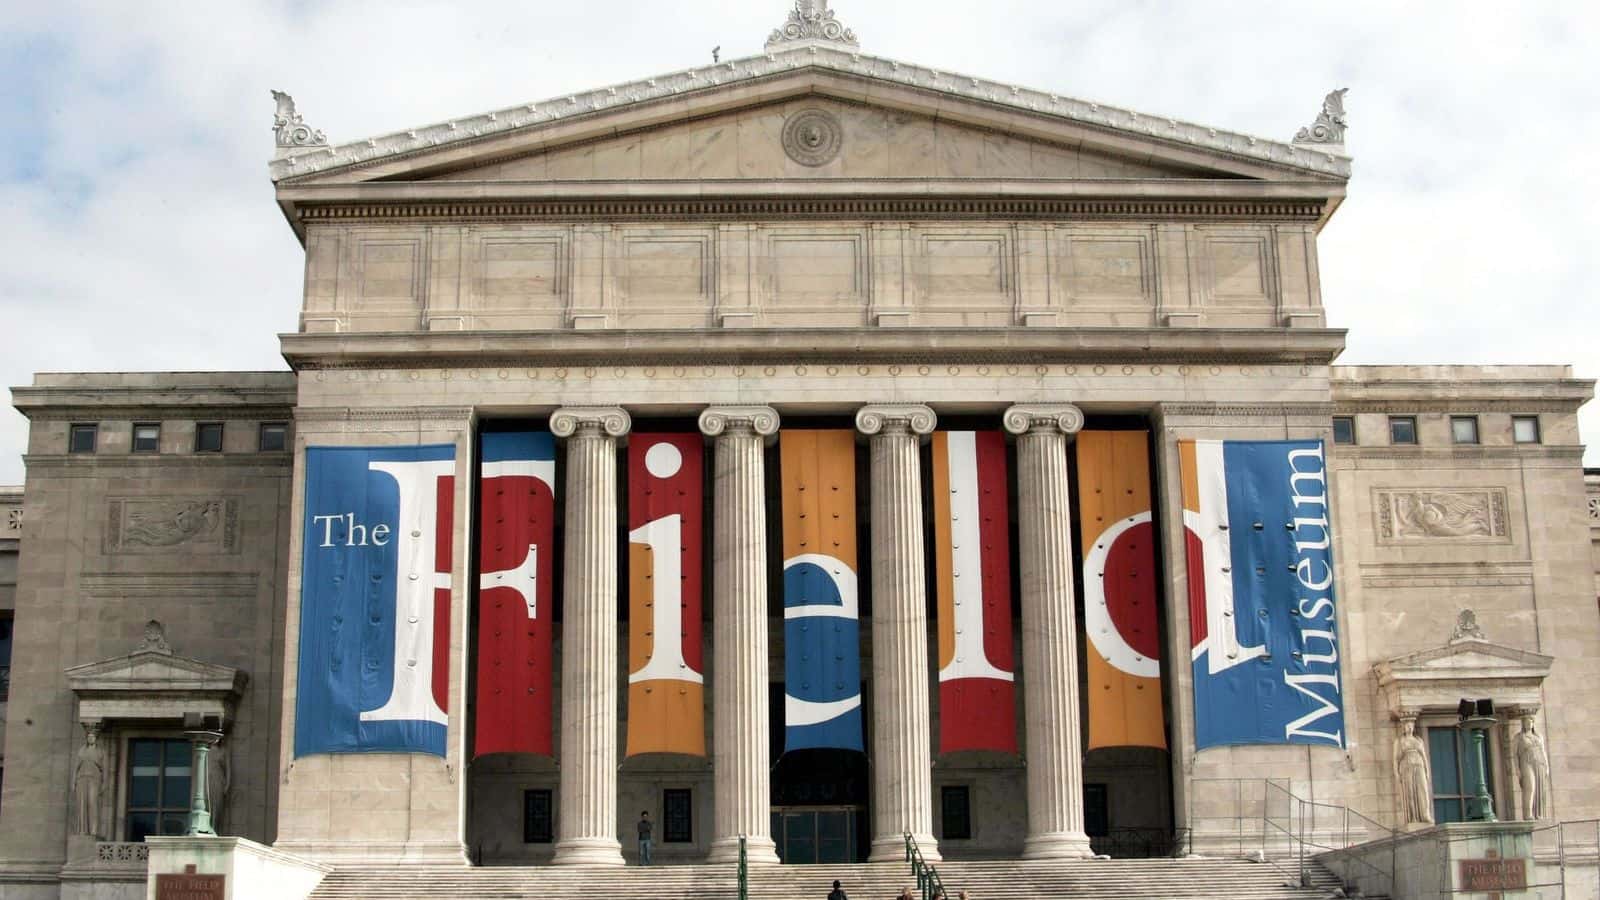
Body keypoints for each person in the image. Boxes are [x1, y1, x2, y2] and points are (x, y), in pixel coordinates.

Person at [1393, 718, 1433, 826]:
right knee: (1410, 792)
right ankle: (1413, 817)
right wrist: (1396, 773)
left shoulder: (1419, 740)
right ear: (1404, 727)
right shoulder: (1400, 741)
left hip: (1419, 764)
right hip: (1406, 766)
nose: (1410, 727)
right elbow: (1395, 759)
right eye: (1407, 726)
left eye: (1411, 725)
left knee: (1422, 790)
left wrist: (1427, 771)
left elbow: (1424, 756)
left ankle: (1425, 815)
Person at [1514, 716, 1550, 820]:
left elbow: (1543, 751)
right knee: (1530, 788)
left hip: (1539, 763)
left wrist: (1547, 766)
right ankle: (1528, 814)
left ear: (1533, 724)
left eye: (1530, 722)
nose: (1528, 724)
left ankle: (1538, 814)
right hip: (1526, 762)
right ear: (1523, 724)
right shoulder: (1519, 737)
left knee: (1540, 789)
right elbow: (1515, 755)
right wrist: (1517, 770)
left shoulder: (1538, 736)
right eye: (1526, 722)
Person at [73, 727, 105, 838]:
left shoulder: (100, 752)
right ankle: (83, 830)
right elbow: (76, 768)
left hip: (94, 780)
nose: (91, 739)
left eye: (93, 737)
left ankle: (93, 830)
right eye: (89, 737)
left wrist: (104, 785)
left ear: (96, 738)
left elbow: (104, 769)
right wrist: (73, 782)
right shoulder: (82, 751)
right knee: (82, 804)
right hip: (82, 779)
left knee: (93, 804)